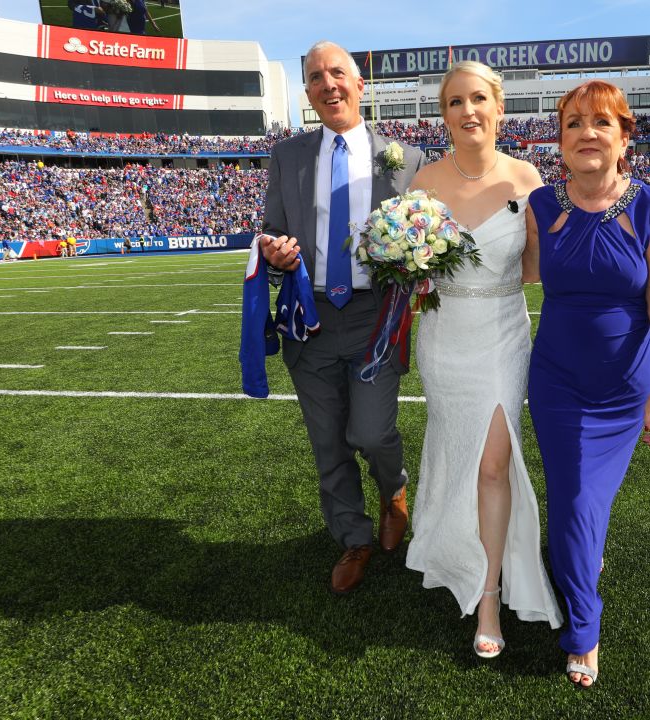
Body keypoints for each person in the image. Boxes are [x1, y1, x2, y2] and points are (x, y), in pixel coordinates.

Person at [403, 61, 563, 659]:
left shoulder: (528, 178)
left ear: (498, 107)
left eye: (477, 99)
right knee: (458, 453)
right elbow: (412, 270)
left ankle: (490, 593)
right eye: (454, 102)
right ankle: (454, 547)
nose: (467, 111)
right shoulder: (422, 183)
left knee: (494, 462)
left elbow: (536, 270)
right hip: (444, 339)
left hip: (502, 335)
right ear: (443, 113)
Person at [526, 80, 650, 687]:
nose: (586, 133)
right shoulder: (541, 205)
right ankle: (583, 629)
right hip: (558, 380)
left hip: (624, 386)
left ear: (623, 138)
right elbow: (512, 275)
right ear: (560, 139)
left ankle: (575, 591)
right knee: (573, 501)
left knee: (584, 504)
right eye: (573, 124)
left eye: (601, 123)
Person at [257, 41, 425, 595]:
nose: (327, 84)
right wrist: (277, 254)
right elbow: (272, 234)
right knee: (328, 442)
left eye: (337, 74)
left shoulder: (406, 157)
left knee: (371, 431)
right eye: (314, 77)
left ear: (359, 84)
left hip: (376, 314)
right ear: (307, 92)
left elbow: (423, 237)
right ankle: (352, 538)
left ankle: (393, 488)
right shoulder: (287, 156)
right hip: (311, 316)